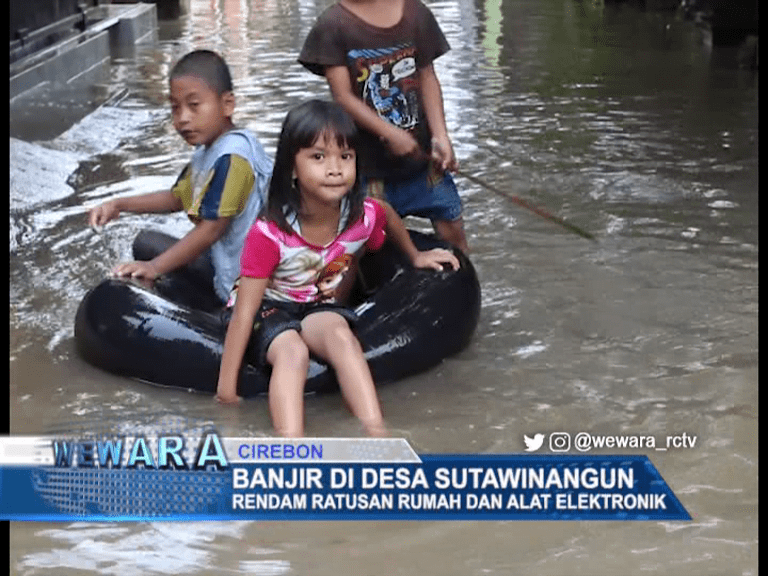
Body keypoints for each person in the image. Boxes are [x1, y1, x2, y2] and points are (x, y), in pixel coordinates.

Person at [215, 100, 460, 437]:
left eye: (345, 157)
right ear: (292, 168)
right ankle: (291, 445)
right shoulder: (271, 233)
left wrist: (414, 256)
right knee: (293, 353)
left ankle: (377, 432)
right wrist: (226, 391)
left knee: (341, 337)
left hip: (317, 302)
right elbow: (245, 312)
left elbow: (386, 213)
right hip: (267, 308)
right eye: (318, 157)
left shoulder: (361, 215)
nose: (335, 169)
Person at [87, 49, 272, 304]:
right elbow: (177, 199)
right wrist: (118, 204)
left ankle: (214, 313)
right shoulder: (207, 150)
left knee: (156, 269)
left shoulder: (234, 158)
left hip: (246, 280)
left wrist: (155, 267)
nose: (182, 118)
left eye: (194, 106)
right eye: (175, 108)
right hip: (225, 259)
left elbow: (212, 229)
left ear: (227, 104)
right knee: (146, 243)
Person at [298, 0, 469, 254]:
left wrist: (441, 137)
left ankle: (466, 289)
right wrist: (389, 133)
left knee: (452, 230)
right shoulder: (333, 25)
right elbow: (343, 97)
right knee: (364, 247)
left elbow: (427, 77)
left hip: (423, 163)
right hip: (368, 169)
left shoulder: (415, 14)